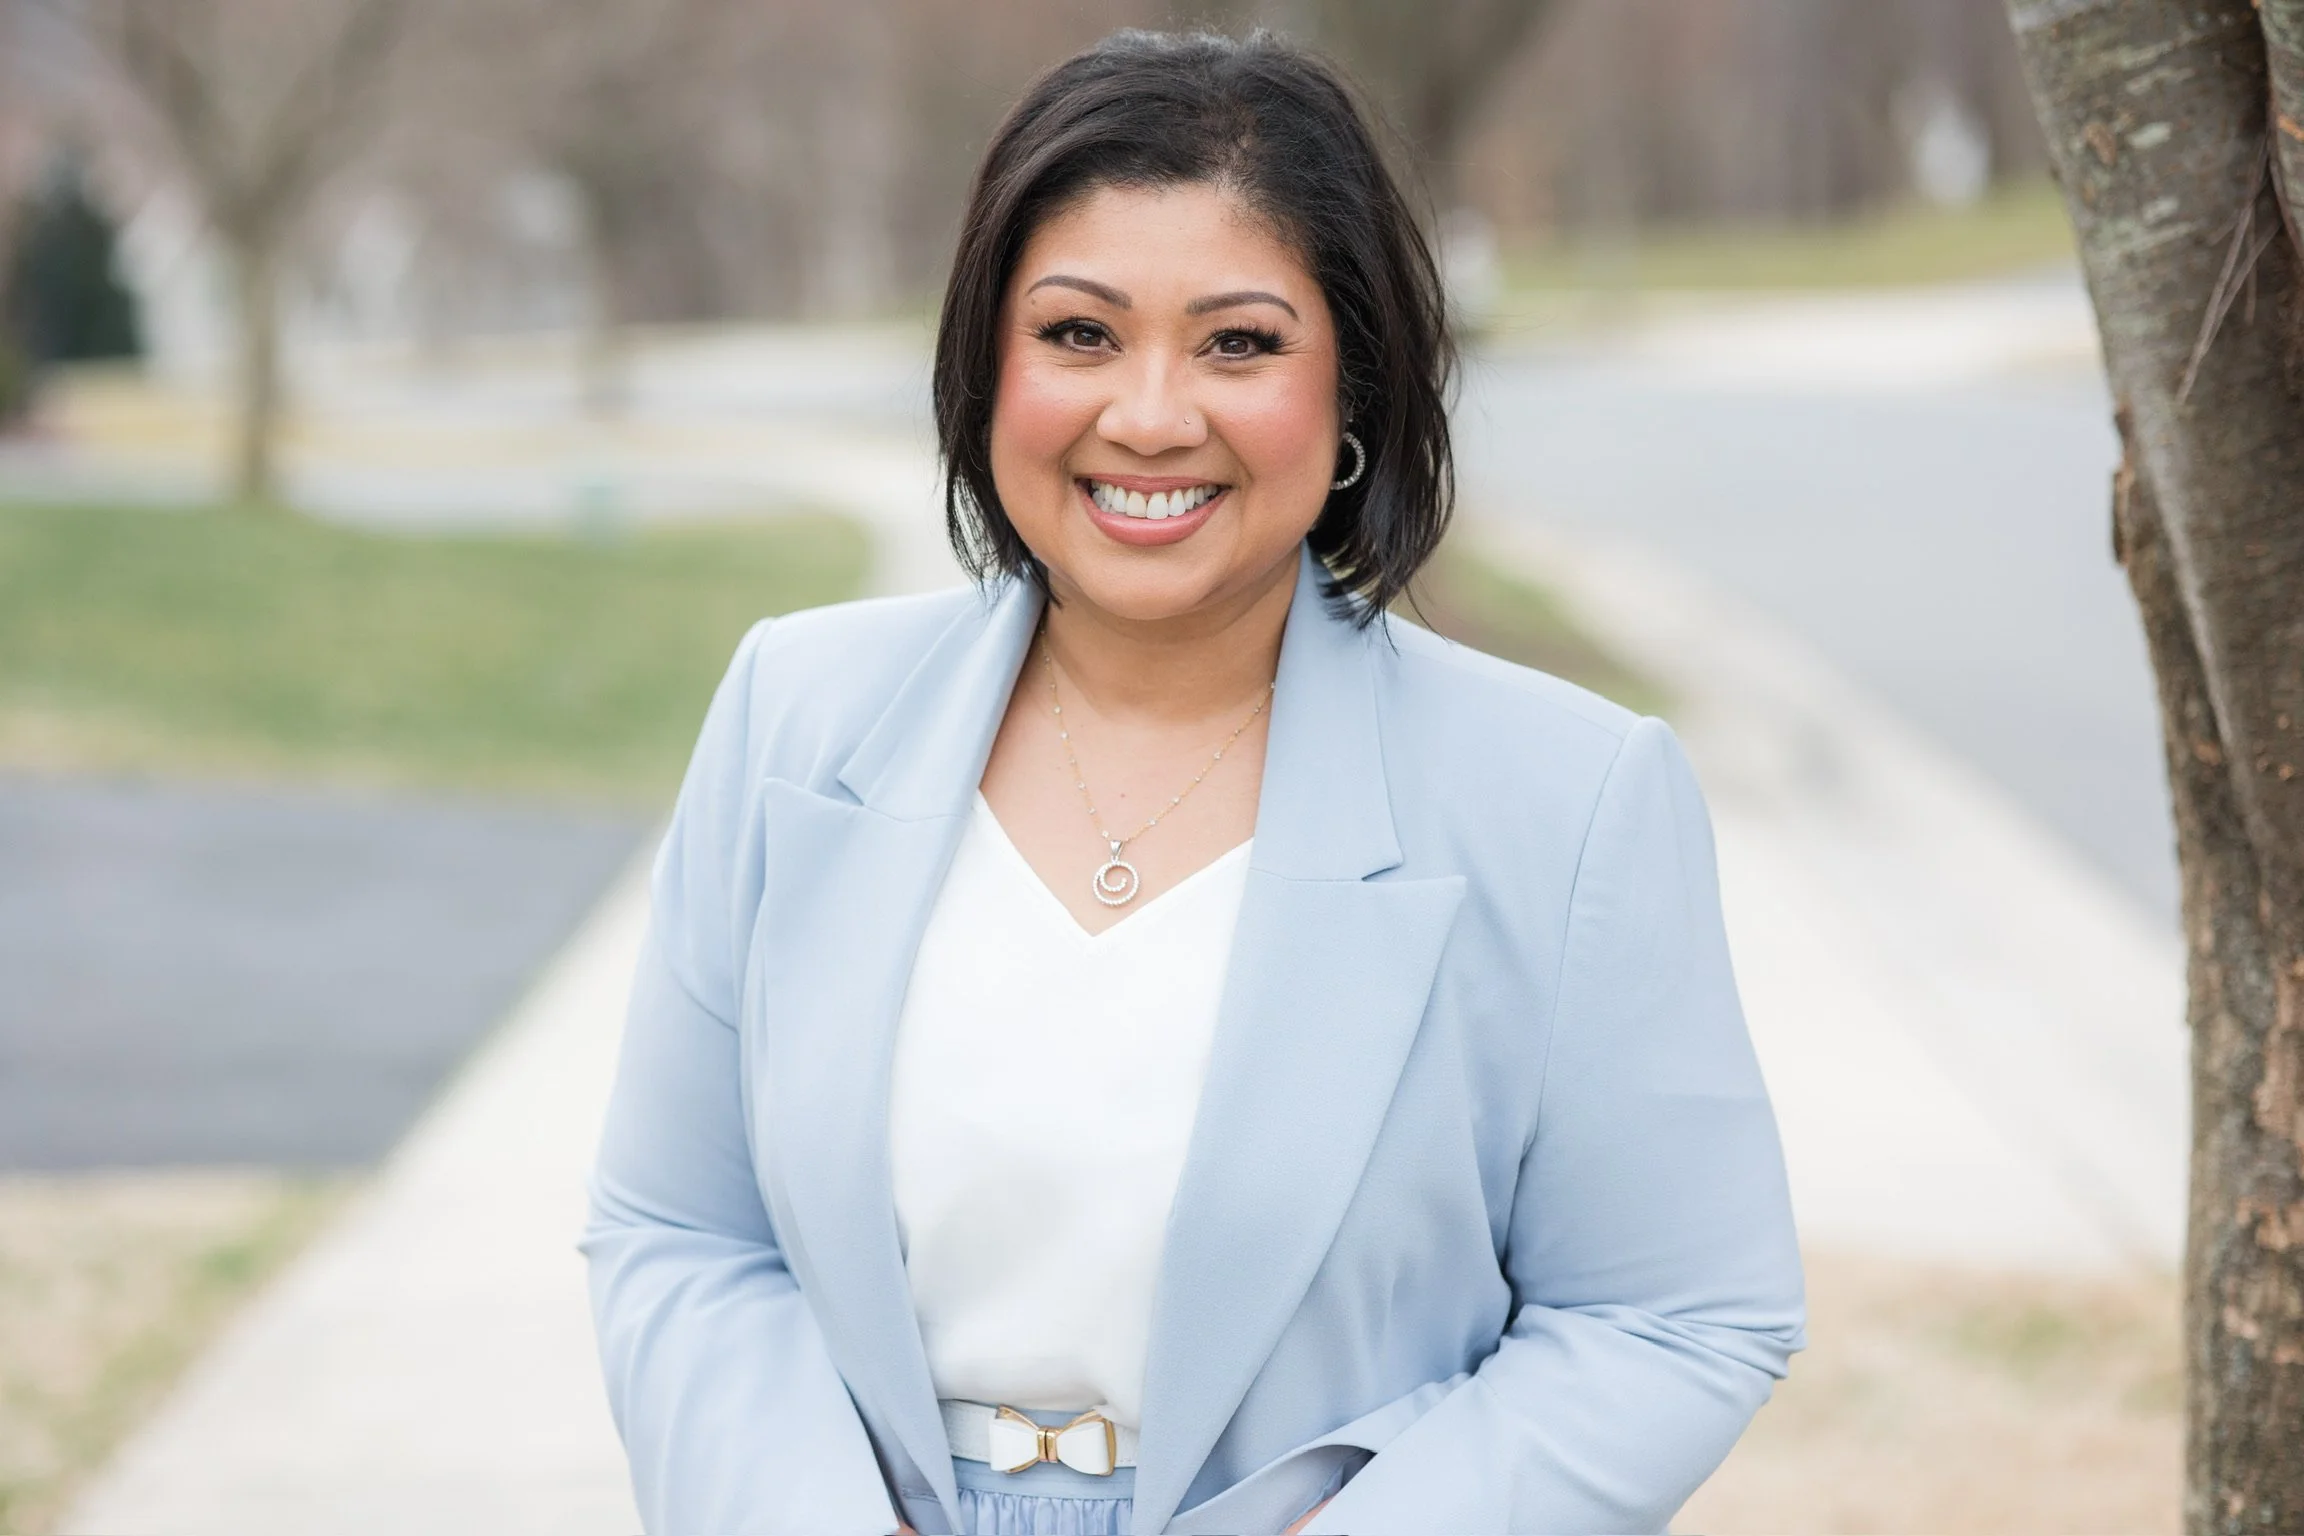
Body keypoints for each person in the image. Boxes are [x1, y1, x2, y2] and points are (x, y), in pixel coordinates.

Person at [580, 28, 1803, 1536]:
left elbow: (1675, 1313)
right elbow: (680, 1232)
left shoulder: (1573, 796)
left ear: (1352, 389)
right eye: (1080, 334)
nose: (1150, 417)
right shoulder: (793, 714)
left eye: (1239, 343)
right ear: (987, 368)